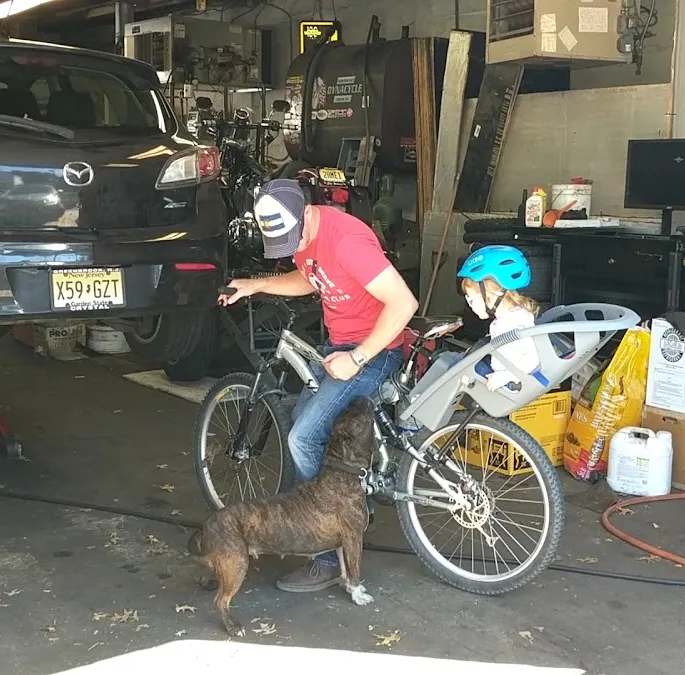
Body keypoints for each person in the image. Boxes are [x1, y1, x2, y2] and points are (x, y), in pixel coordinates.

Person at [219, 178, 419, 593]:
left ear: (307, 212)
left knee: (303, 438)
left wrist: (357, 358)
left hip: (374, 350)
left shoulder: (346, 241)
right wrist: (256, 283)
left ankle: (326, 555)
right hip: (341, 345)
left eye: (293, 237)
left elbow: (405, 303)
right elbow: (310, 279)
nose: (292, 245)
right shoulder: (304, 236)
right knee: (301, 418)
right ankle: (350, 507)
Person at [456, 245, 546, 391]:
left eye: (471, 299)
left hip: (507, 385)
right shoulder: (505, 318)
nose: (470, 305)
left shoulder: (516, 323)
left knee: (454, 370)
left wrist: (506, 376)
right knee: (455, 361)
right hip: (497, 369)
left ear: (492, 295)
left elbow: (533, 358)